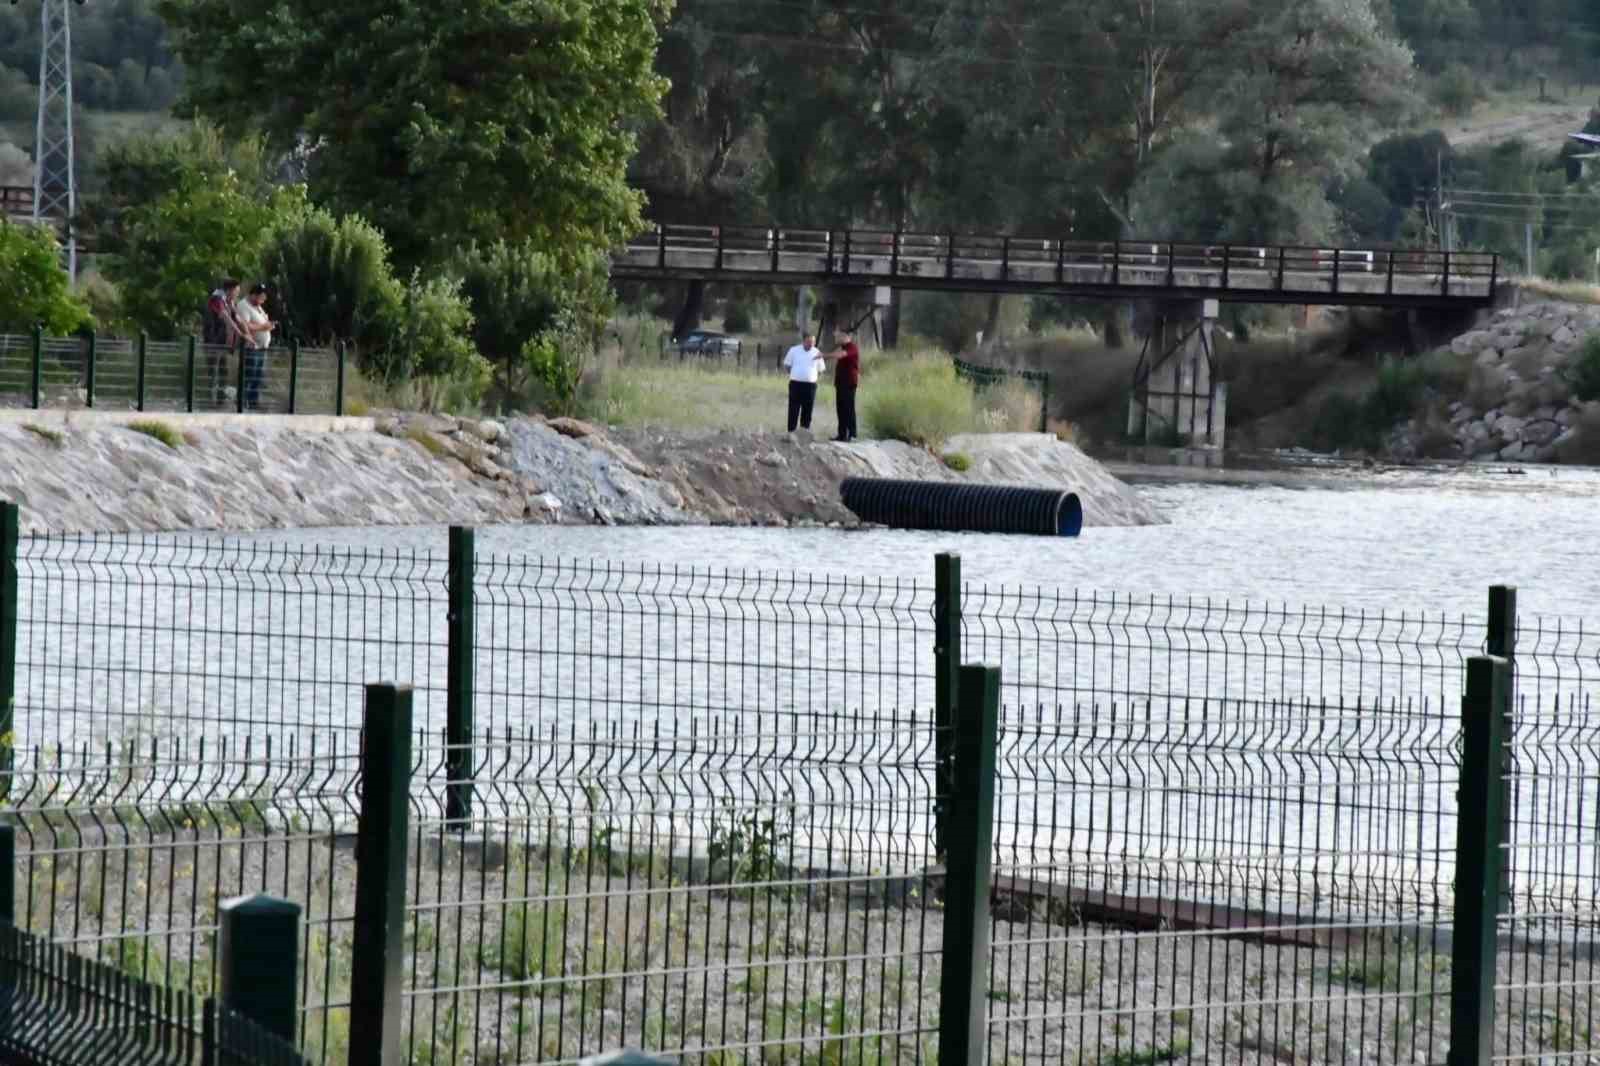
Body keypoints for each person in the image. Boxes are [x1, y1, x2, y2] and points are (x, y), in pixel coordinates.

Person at [202, 279, 247, 406]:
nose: (238, 293)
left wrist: (246, 332)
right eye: (237, 290)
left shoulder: (228, 301)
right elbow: (225, 317)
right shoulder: (217, 299)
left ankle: (220, 401)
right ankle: (210, 402)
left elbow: (237, 317)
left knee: (223, 372)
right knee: (214, 372)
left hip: (223, 344)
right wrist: (239, 332)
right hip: (213, 342)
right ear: (230, 289)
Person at [234, 283, 275, 412]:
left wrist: (268, 325)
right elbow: (244, 325)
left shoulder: (258, 307)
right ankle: (242, 402)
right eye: (261, 296)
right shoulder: (243, 306)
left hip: (261, 347)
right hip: (250, 347)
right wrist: (264, 327)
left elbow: (260, 323)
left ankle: (253, 401)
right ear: (253, 295)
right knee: (249, 374)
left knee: (258, 376)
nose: (264, 299)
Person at [782, 332, 825, 432]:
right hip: (796, 384)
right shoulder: (794, 350)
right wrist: (796, 375)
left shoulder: (817, 352)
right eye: (809, 342)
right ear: (803, 341)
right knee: (793, 409)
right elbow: (787, 366)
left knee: (808, 409)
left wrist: (813, 378)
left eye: (813, 342)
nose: (811, 344)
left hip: (810, 386)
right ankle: (791, 432)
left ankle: (804, 432)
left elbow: (821, 370)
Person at [825, 329, 862, 441]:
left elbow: (841, 355)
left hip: (849, 383)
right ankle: (842, 435)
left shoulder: (852, 347)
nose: (836, 339)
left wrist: (823, 355)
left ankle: (852, 434)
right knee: (840, 408)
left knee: (848, 408)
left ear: (845, 336)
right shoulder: (844, 347)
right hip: (840, 383)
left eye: (838, 337)